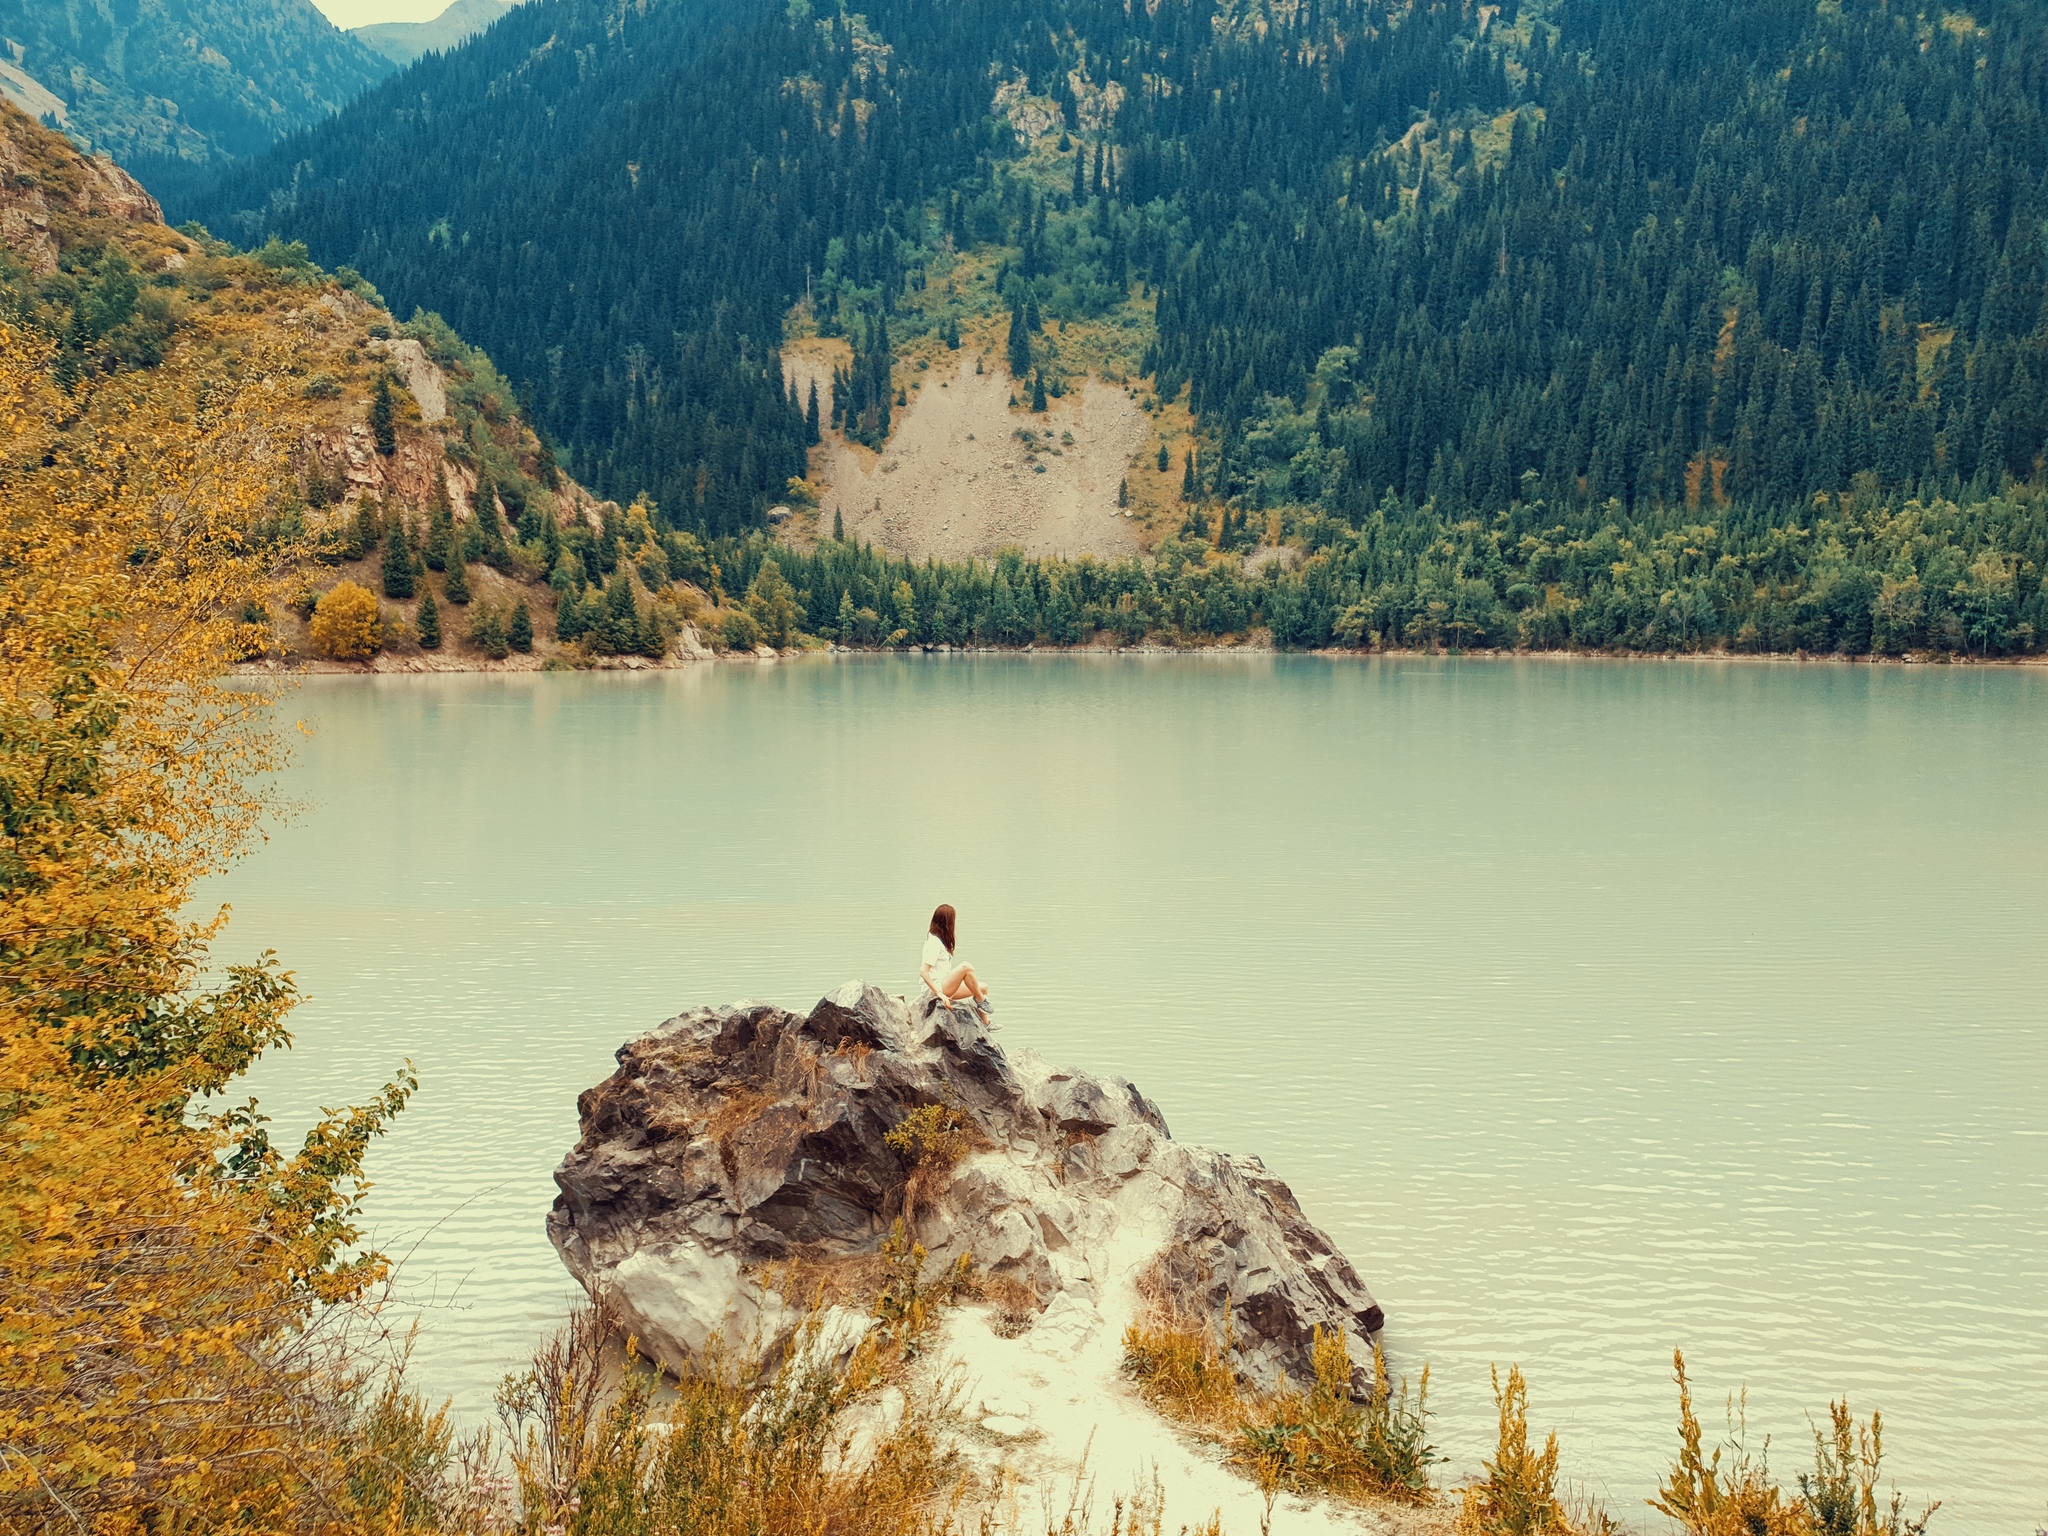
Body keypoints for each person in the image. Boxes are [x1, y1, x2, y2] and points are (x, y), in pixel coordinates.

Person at [920, 903, 994, 1023]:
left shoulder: (940, 941)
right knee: (966, 967)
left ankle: (986, 1023)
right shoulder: (934, 943)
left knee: (983, 988)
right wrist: (939, 993)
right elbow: (923, 972)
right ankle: (979, 1000)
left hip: (944, 985)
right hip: (935, 989)